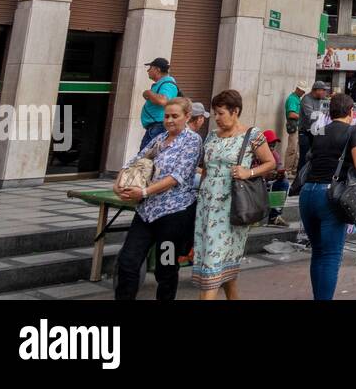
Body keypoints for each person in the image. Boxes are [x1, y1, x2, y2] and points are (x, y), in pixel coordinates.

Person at [114, 96, 201, 300]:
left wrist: (144, 192)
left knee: (166, 268)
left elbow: (176, 177)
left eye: (175, 116)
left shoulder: (192, 141)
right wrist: (119, 181)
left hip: (174, 216)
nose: (169, 120)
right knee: (128, 261)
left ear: (187, 116)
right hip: (146, 213)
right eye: (167, 116)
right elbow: (136, 160)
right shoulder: (160, 139)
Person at [193, 89, 276, 298]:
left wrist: (249, 172)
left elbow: (271, 162)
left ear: (235, 111)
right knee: (221, 266)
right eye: (215, 113)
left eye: (221, 113)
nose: (217, 118)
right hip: (206, 206)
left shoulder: (252, 135)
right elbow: (205, 169)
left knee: (213, 265)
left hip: (232, 208)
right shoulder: (211, 136)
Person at [298, 91, 356, 300]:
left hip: (307, 193)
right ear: (351, 111)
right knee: (331, 256)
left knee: (317, 252)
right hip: (329, 198)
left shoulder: (320, 131)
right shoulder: (353, 131)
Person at [138, 57, 179, 150]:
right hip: (155, 127)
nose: (148, 71)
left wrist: (148, 93)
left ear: (157, 69)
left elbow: (163, 101)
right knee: (144, 157)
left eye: (150, 68)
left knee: (145, 159)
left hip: (159, 126)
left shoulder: (168, 84)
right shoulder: (161, 84)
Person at [297, 82, 329, 181]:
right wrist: (325, 117)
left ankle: (311, 176)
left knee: (317, 155)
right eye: (323, 90)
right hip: (306, 132)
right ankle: (299, 180)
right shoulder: (306, 99)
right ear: (316, 90)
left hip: (317, 131)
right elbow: (310, 115)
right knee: (304, 156)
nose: (325, 93)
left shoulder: (321, 100)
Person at [263, 129, 289, 227]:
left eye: (274, 144)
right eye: (270, 144)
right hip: (256, 183)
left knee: (284, 183)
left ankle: (274, 217)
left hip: (268, 183)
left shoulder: (275, 154)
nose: (272, 147)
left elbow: (280, 167)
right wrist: (265, 175)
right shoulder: (255, 154)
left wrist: (281, 174)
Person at [284, 83, 305, 176]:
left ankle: (293, 170)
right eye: (302, 90)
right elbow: (291, 114)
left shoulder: (297, 98)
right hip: (294, 126)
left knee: (296, 150)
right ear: (297, 89)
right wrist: (303, 116)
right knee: (292, 149)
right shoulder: (292, 99)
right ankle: (287, 170)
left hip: (297, 126)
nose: (303, 92)